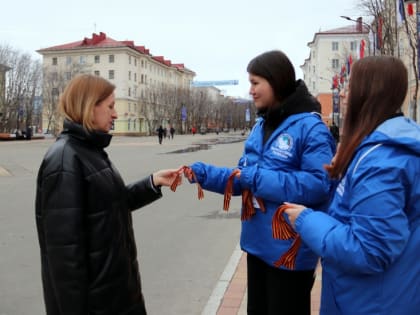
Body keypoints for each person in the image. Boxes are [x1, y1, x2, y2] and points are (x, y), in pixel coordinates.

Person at [185, 50, 336, 315]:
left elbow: (318, 185)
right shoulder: (260, 126)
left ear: (275, 82)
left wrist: (257, 178)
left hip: (289, 254)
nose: (251, 90)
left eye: (255, 83)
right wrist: (203, 174)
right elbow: (243, 177)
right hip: (257, 247)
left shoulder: (311, 128)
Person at [283, 56, 420, 315]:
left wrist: (306, 220)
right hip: (381, 295)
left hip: (371, 303)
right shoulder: (378, 149)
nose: (344, 94)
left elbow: (369, 250)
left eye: (350, 86)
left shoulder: (381, 162)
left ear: (369, 93)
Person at [35, 74, 181, 315]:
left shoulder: (89, 150)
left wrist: (153, 182)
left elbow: (111, 204)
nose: (115, 114)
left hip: (117, 293)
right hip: (98, 303)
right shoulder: (64, 160)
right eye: (110, 106)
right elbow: (65, 258)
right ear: (89, 106)